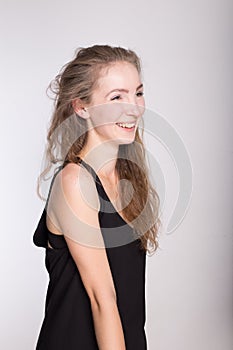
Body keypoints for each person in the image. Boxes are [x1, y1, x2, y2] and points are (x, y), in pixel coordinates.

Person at [33, 44, 161, 350]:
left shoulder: (128, 177)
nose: (134, 107)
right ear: (82, 107)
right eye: (117, 97)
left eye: (138, 93)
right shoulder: (76, 182)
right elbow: (102, 300)